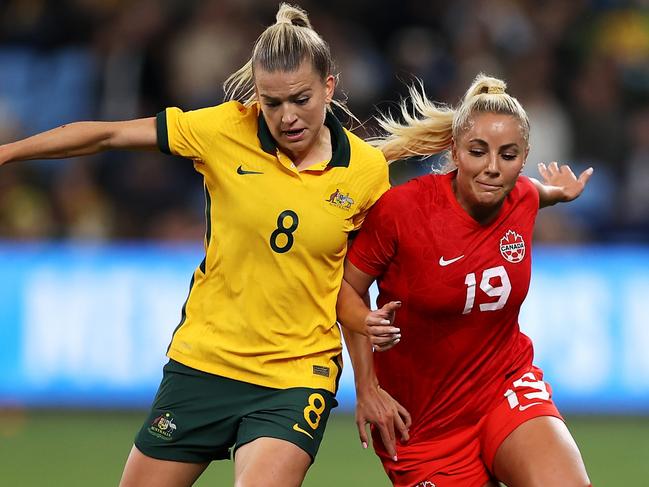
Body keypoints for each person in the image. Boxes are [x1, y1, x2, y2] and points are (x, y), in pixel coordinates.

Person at [0, 4, 399, 486]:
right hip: (206, 361)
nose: (287, 117)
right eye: (272, 103)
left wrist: (369, 385)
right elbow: (106, 135)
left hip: (296, 374)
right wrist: (8, 153)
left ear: (329, 86)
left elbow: (352, 287)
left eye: (301, 99)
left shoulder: (367, 171)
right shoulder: (220, 130)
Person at [336, 74, 594, 486]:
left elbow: (534, 192)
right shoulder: (403, 211)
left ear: (523, 158)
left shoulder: (521, 196)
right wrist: (366, 386)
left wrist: (559, 192)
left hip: (503, 388)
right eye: (478, 152)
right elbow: (347, 287)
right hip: (422, 426)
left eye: (508, 156)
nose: (492, 168)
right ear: (455, 151)